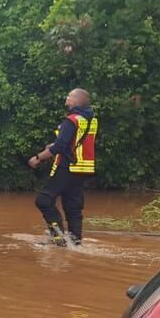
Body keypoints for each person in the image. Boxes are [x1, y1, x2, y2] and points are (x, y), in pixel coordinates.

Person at [28, 88, 99, 246]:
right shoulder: (91, 120)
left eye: (69, 96)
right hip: (82, 169)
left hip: (67, 166)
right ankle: (75, 242)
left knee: (43, 200)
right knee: (73, 207)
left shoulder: (71, 120)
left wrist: (38, 158)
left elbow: (60, 146)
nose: (66, 99)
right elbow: (77, 141)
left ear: (76, 101)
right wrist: (55, 145)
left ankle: (58, 238)